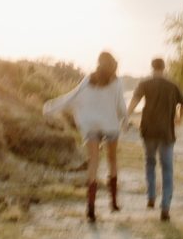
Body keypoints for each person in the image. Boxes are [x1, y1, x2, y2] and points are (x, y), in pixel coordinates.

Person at [43, 51, 128, 223]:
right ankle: (113, 203)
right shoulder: (117, 82)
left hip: (90, 126)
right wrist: (124, 120)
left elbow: (71, 97)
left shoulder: (88, 80)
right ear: (113, 64)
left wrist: (50, 107)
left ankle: (90, 208)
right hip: (110, 126)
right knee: (112, 161)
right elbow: (120, 106)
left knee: (93, 163)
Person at [126, 58, 183, 222]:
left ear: (152, 67)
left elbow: (134, 101)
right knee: (167, 169)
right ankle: (165, 206)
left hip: (148, 131)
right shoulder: (172, 85)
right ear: (164, 68)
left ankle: (151, 197)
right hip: (166, 132)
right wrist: (179, 119)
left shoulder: (145, 83)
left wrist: (126, 117)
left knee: (150, 163)